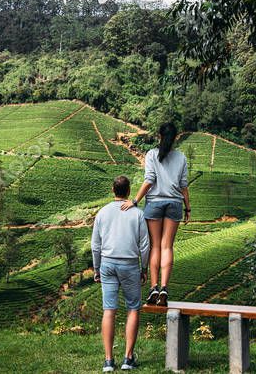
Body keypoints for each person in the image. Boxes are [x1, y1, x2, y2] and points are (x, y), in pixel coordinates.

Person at [121, 122, 190, 307]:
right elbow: (184, 186)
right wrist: (188, 208)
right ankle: (165, 288)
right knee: (167, 246)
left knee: (155, 247)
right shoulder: (181, 157)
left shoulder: (152, 154)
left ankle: (154, 288)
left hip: (155, 203)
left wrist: (134, 200)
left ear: (159, 135)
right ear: (176, 137)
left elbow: (149, 180)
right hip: (175, 203)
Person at [92, 175, 150, 372]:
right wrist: (144, 268)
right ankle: (128, 358)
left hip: (107, 264)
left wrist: (96, 268)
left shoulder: (102, 212)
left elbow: (95, 245)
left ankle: (108, 361)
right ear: (128, 191)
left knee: (109, 310)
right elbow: (144, 245)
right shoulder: (137, 213)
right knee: (133, 308)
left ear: (112, 190)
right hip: (130, 265)